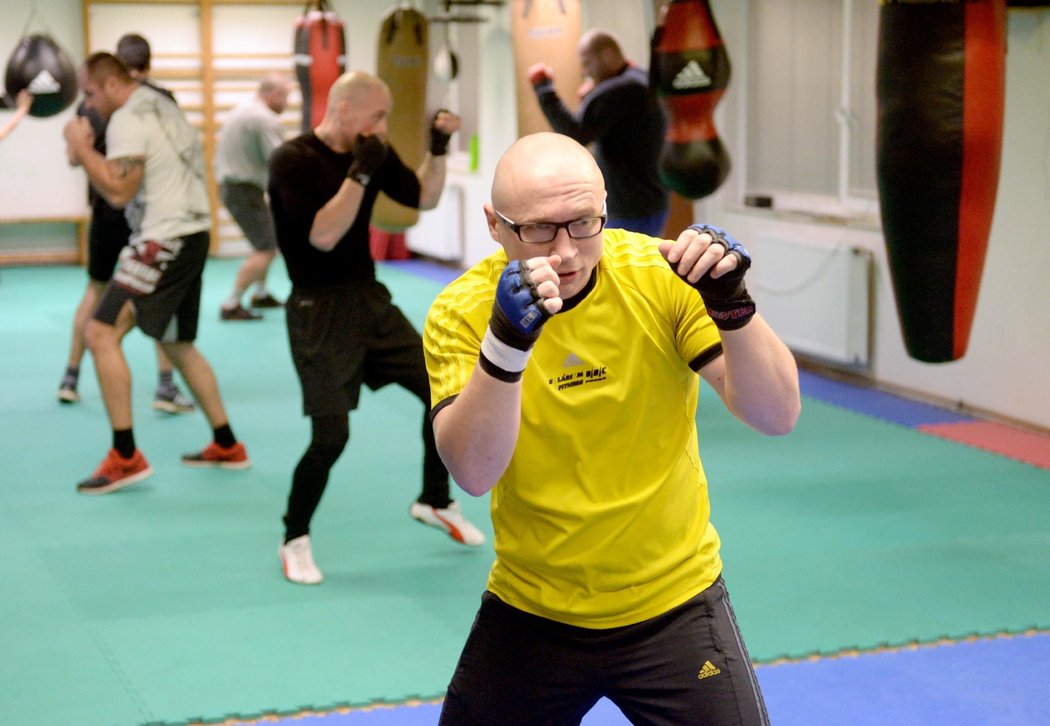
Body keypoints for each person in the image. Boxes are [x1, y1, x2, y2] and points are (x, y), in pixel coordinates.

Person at [422, 132, 801, 724]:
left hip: (673, 603)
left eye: (584, 223)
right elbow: (472, 473)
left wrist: (734, 307)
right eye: (541, 230)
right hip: (533, 610)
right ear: (495, 225)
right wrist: (506, 344)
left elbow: (777, 415)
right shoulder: (461, 311)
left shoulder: (659, 274)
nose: (568, 252)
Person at [266, 70, 484, 585]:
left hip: (369, 300)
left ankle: (435, 500)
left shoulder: (372, 152)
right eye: (378, 115)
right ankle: (294, 536)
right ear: (344, 109)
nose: (383, 125)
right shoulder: (292, 160)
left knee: (444, 395)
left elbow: (423, 199)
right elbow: (322, 235)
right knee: (330, 436)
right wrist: (360, 173)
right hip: (317, 311)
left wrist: (438, 146)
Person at [63, 52, 250, 494]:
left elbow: (117, 189)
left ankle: (125, 456)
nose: (88, 104)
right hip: (194, 233)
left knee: (100, 333)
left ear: (111, 84)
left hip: (163, 239)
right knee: (177, 343)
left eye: (90, 93)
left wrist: (83, 147)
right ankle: (226, 443)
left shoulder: (127, 116)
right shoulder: (159, 101)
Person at [58, 35, 194, 412]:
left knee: (95, 290)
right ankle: (165, 386)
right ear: (148, 65)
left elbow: (74, 157)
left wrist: (82, 146)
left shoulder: (98, 102)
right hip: (149, 215)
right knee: (158, 301)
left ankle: (70, 376)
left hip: (111, 211)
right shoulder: (160, 98)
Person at [527, 28, 669, 237]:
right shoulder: (640, 78)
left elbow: (576, 134)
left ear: (608, 55)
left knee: (619, 269)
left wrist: (544, 89)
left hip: (630, 210)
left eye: (587, 63)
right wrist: (595, 96)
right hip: (649, 203)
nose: (584, 72)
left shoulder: (620, 89)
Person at [215, 74, 291, 321]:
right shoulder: (264, 119)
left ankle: (260, 293)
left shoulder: (244, 109)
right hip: (243, 189)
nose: (287, 103)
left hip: (237, 187)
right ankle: (231, 303)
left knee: (266, 242)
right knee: (266, 248)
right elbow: (280, 160)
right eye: (285, 96)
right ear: (274, 95)